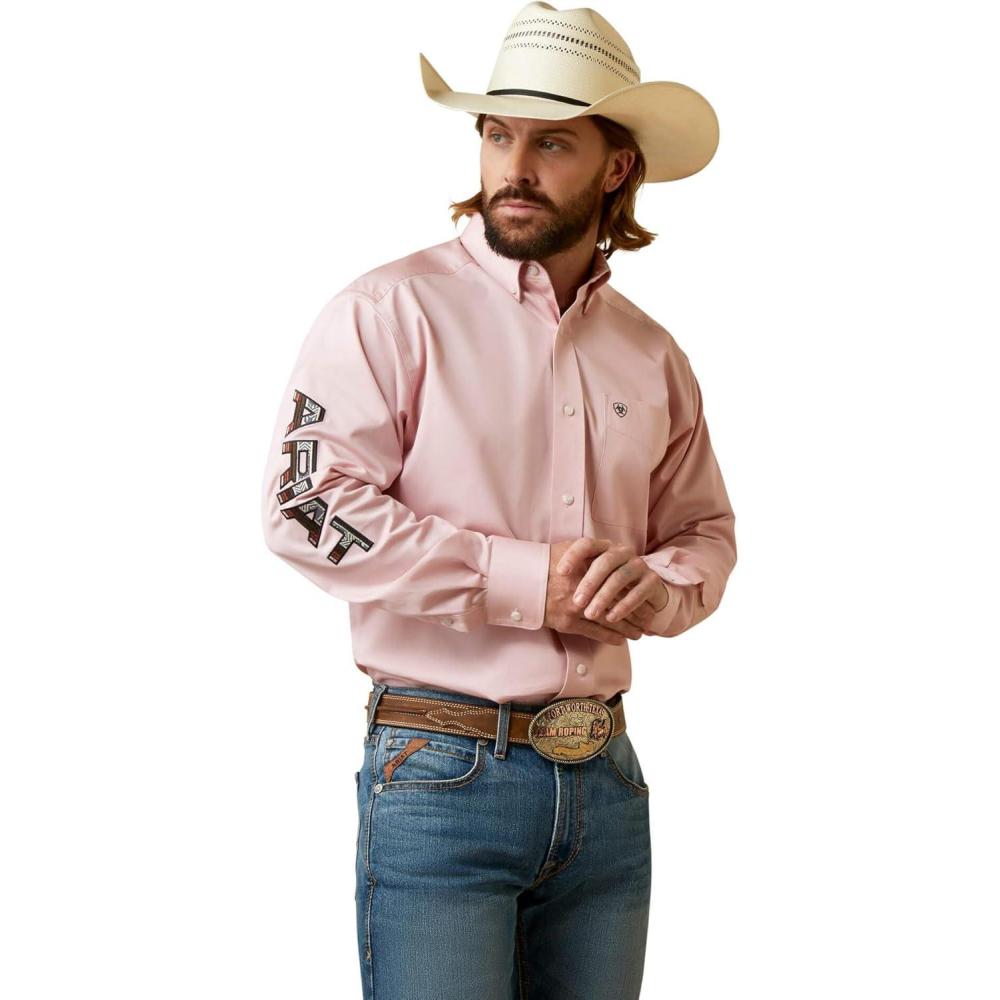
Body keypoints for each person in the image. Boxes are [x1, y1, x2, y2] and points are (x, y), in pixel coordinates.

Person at [259, 3, 737, 997]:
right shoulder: (388, 312)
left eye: (550, 142)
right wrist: (527, 581)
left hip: (607, 780)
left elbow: (702, 529)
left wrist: (659, 588)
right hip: (441, 774)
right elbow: (305, 508)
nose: (511, 167)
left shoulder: (651, 353)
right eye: (495, 134)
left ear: (615, 166)